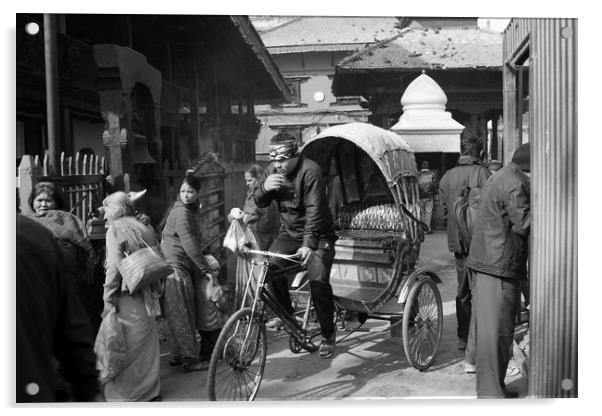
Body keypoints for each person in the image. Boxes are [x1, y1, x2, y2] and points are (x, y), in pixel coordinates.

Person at [255, 132, 338, 359]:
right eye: (274, 160)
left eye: (282, 160)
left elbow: (315, 210)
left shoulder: (310, 170)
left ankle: (328, 334)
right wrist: (264, 187)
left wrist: (310, 244)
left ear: (294, 155)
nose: (278, 165)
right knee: (270, 268)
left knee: (318, 282)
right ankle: (287, 317)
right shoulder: (272, 171)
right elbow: (259, 201)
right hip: (289, 233)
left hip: (320, 235)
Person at [467, 143, 531, 399]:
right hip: (498, 266)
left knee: (495, 333)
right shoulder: (515, 183)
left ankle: (493, 389)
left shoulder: (503, 175)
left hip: (491, 263)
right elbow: (525, 222)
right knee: (496, 334)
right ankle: (491, 395)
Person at [17, 214, 100, 402]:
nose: (43, 205)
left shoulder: (40, 235)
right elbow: (73, 333)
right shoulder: (36, 234)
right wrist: (88, 392)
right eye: (40, 200)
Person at [98, 191, 162, 401]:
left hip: (128, 296)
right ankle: (151, 391)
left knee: (126, 346)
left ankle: (128, 396)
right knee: (146, 346)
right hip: (149, 293)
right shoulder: (144, 224)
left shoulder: (116, 229)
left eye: (106, 210)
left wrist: (108, 298)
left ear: (116, 209)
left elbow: (113, 270)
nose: (104, 216)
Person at [439, 137, 491, 373]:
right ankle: (478, 338)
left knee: (462, 289)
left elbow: (442, 212)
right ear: (480, 151)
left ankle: (463, 336)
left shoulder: (447, 176)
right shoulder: (483, 173)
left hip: (457, 240)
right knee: (481, 287)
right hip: (479, 240)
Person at [160, 173, 222, 371]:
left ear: (198, 193)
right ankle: (189, 359)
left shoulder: (189, 210)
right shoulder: (182, 213)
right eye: (183, 191)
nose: (186, 195)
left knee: (177, 312)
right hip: (175, 269)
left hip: (178, 267)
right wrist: (207, 270)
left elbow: (195, 241)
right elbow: (189, 245)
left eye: (190, 191)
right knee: (182, 314)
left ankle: (178, 354)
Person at [26, 182, 98, 329]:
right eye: (40, 200)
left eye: (48, 200)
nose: (44, 204)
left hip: (65, 280)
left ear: (56, 203)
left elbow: (81, 249)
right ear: (33, 202)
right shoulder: (24, 222)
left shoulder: (67, 220)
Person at [243, 164, 281, 250]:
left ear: (259, 178)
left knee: (261, 261)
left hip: (262, 239)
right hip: (257, 237)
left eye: (250, 180)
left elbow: (265, 219)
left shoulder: (263, 194)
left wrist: (244, 217)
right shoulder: (253, 192)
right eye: (246, 180)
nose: (247, 183)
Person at [417, 161, 437, 232]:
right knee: (428, 212)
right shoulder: (432, 174)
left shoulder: (418, 175)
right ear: (428, 167)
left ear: (421, 167)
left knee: (422, 213)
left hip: (420, 196)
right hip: (429, 196)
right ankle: (427, 229)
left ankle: (422, 228)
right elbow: (434, 185)